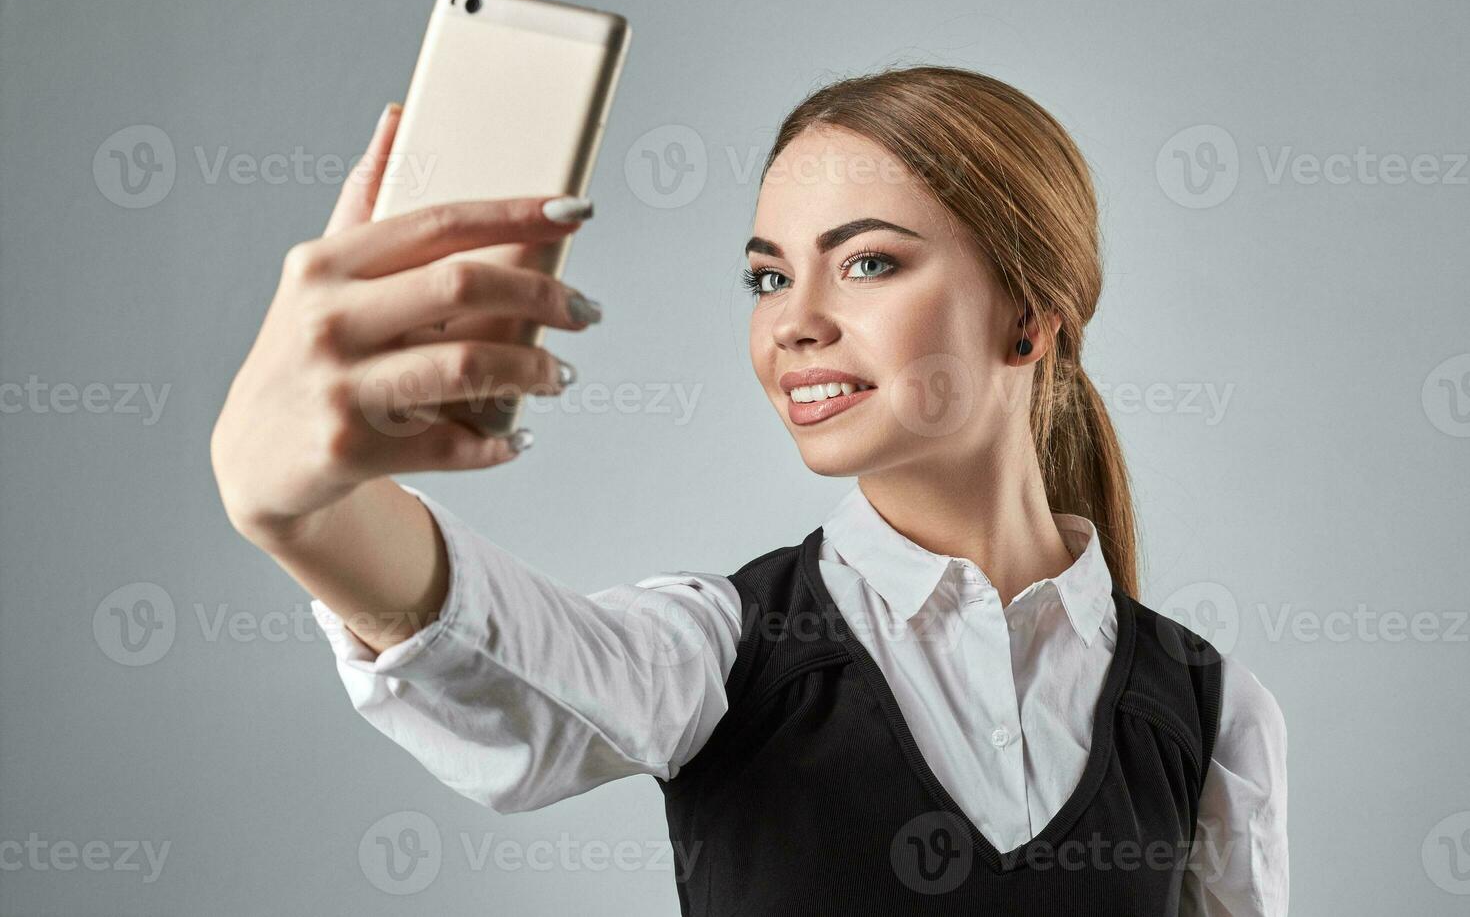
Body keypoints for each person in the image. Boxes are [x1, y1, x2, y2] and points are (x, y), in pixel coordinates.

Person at [212, 66, 1287, 915]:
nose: (791, 320)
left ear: (1030, 314)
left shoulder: (1210, 705)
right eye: (768, 276)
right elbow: (516, 665)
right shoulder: (721, 646)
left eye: (866, 262)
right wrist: (299, 506)